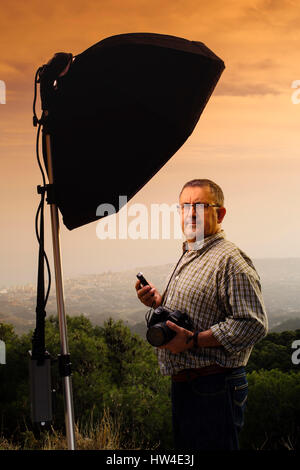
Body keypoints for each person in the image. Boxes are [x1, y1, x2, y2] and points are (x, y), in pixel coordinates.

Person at [135, 178, 268, 450]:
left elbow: (253, 324)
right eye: (184, 206)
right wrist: (158, 302)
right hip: (189, 385)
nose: (189, 213)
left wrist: (195, 340)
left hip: (215, 386)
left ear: (219, 214)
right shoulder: (192, 252)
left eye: (199, 206)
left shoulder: (230, 260)